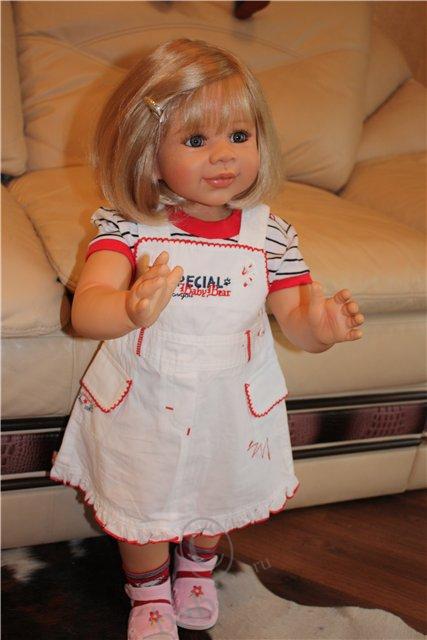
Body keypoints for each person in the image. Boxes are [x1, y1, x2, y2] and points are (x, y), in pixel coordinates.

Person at [50, 38, 364, 640]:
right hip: (146, 399)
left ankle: (196, 567)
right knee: (141, 497)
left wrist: (320, 330)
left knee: (219, 486)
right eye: (196, 141)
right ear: (148, 151)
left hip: (230, 400)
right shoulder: (128, 225)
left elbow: (295, 317)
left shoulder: (270, 234)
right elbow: (87, 311)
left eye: (239, 136)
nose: (223, 156)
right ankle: (148, 591)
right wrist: (129, 307)